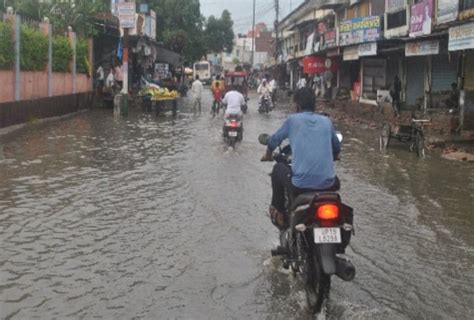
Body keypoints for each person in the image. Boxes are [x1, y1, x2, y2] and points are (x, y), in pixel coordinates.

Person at [261, 87, 341, 229]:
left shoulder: (292, 120)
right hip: (329, 184)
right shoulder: (326, 121)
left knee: (277, 169)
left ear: (297, 105)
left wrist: (267, 155)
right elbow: (336, 147)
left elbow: (274, 140)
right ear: (314, 104)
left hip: (301, 185)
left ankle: (279, 211)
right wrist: (334, 155)